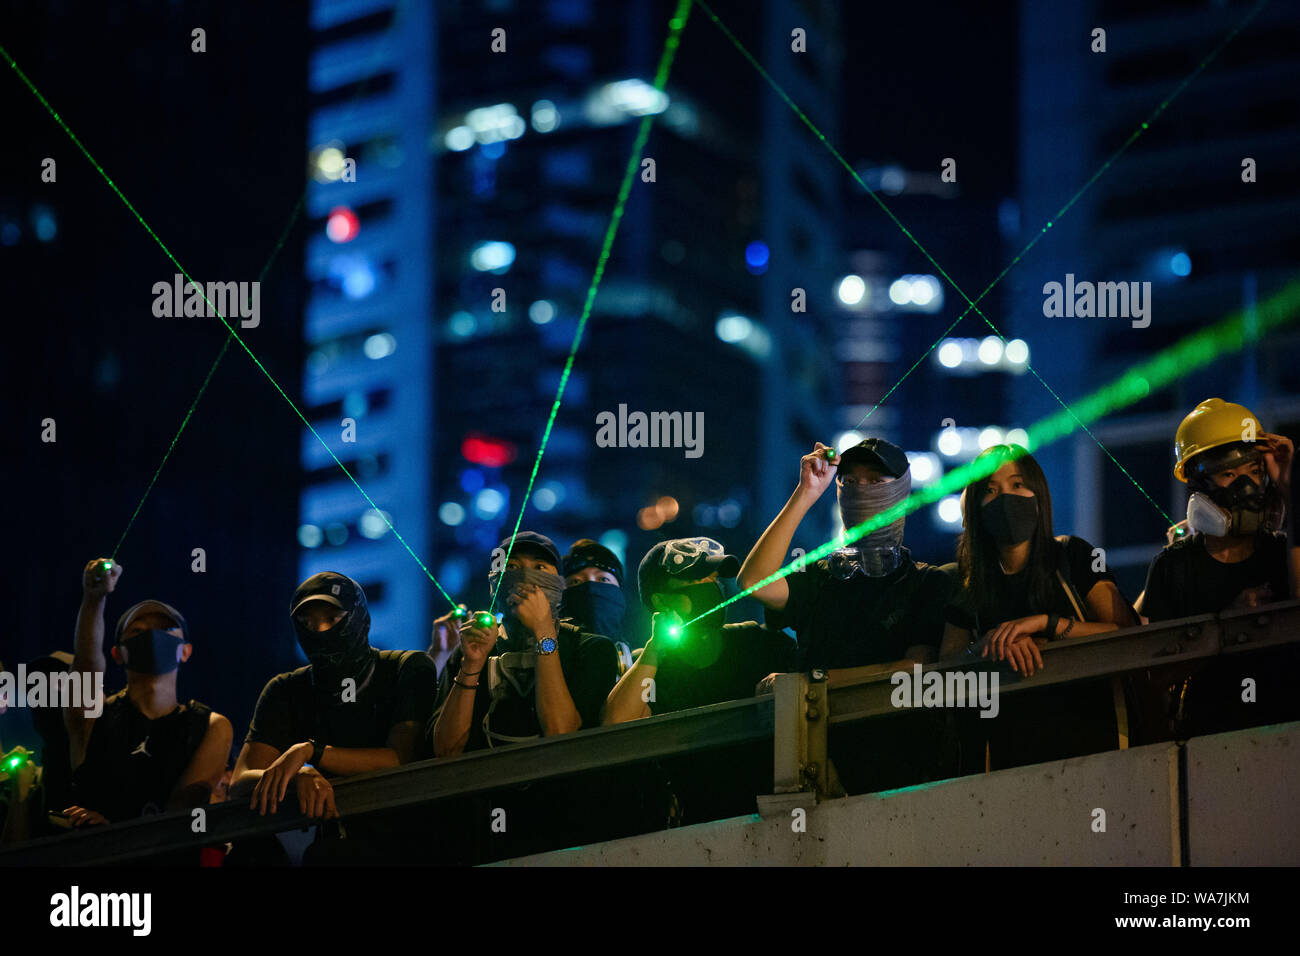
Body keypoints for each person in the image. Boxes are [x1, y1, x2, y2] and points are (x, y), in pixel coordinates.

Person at [942, 445, 1139, 770]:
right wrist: (989, 647)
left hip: (1097, 749)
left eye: (1018, 485)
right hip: (1008, 762)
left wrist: (1047, 624)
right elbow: (946, 668)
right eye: (990, 490)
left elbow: (1128, 635)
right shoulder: (968, 585)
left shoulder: (1074, 556)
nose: (1006, 498)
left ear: (1039, 495)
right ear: (975, 506)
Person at [231, 572, 437, 858]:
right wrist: (298, 775)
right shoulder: (284, 690)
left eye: (332, 618)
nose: (319, 630)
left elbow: (401, 759)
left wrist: (309, 753)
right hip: (327, 849)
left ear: (361, 619)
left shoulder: (406, 669)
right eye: (307, 622)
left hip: (406, 844)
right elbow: (240, 782)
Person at [1137, 398, 1297, 739]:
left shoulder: (1282, 553)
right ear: (1199, 485)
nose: (1248, 487)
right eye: (1229, 474)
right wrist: (1227, 625)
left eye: (1255, 472)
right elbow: (1155, 675)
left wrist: (1289, 487)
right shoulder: (1173, 566)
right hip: (1207, 740)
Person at [740, 438, 963, 682]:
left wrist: (813, 681)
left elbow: (915, 668)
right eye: (851, 482)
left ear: (900, 493)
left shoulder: (926, 582)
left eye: (876, 481)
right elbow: (753, 582)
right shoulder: (817, 577)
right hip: (812, 720)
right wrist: (806, 492)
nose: (860, 490)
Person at [63, 558, 232, 828]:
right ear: (118, 653)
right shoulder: (94, 717)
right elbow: (86, 665)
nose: (152, 638)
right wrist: (94, 600)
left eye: (164, 630)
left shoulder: (210, 726)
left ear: (185, 651)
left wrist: (115, 832)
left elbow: (180, 812)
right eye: (138, 631)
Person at [428, 532, 618, 756]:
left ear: (560, 585)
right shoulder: (468, 652)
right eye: (512, 568)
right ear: (495, 582)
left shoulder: (590, 649)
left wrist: (543, 631)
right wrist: (471, 665)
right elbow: (445, 750)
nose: (526, 577)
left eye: (539, 568)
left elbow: (560, 733)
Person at [603, 537, 796, 723]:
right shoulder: (649, 668)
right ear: (660, 600)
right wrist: (653, 650)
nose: (710, 588)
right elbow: (617, 724)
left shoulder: (756, 643)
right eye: (695, 582)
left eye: (712, 579)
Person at [559, 538, 629, 646]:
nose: (590, 587)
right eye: (576, 581)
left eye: (603, 579)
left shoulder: (643, 658)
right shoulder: (546, 655)